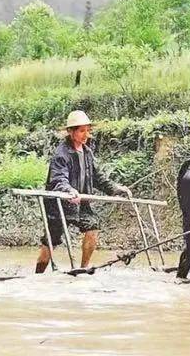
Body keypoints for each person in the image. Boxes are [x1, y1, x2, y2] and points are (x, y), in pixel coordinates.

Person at [36, 110, 132, 273]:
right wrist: (69, 190)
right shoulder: (61, 154)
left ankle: (83, 269)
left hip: (82, 203)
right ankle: (38, 274)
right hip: (60, 204)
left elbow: (98, 178)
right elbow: (58, 179)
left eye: (88, 130)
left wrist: (115, 189)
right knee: (50, 242)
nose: (85, 134)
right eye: (81, 131)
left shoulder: (87, 152)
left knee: (92, 227)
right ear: (70, 132)